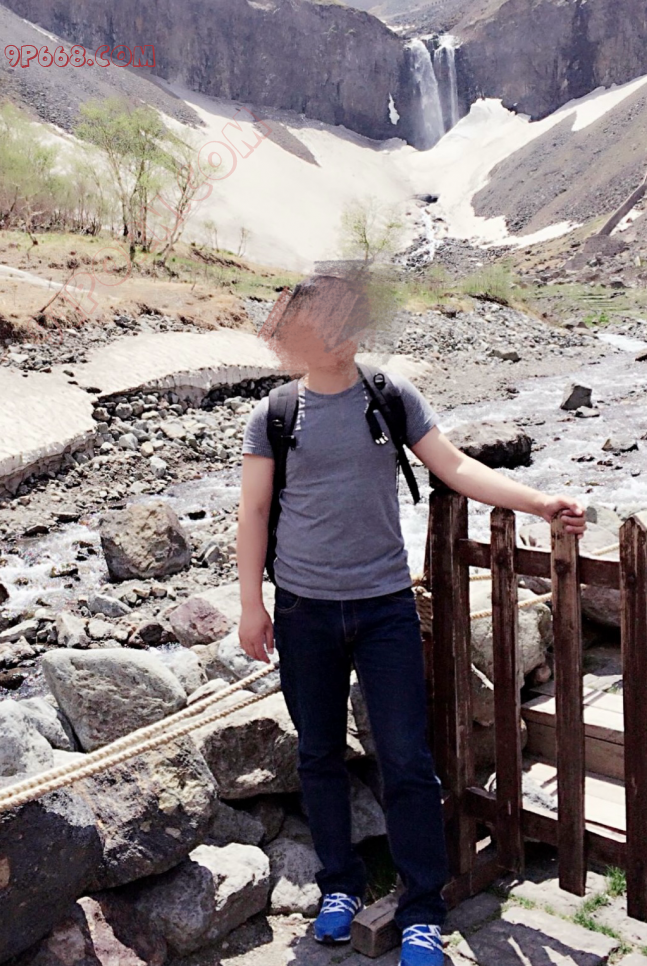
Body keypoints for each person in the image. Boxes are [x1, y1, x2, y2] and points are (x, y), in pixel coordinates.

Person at [236, 273, 586, 966]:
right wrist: (251, 605)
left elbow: (454, 466)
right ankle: (340, 887)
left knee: (405, 758)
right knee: (318, 755)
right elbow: (252, 511)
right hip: (304, 610)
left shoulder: (389, 396)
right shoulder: (275, 414)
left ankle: (423, 907)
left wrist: (539, 502)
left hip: (384, 607)